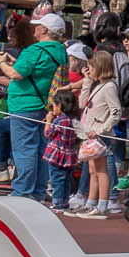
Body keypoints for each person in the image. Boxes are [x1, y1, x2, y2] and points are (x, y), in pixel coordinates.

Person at [0, 13, 67, 209]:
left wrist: (0, 62)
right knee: (41, 151)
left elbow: (16, 74)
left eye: (37, 26)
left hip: (25, 105)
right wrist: (13, 61)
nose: (34, 29)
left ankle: (22, 192)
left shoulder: (33, 50)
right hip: (45, 106)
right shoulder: (60, 51)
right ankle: (37, 192)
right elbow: (36, 71)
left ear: (44, 29)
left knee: (25, 150)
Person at [75, 51, 122, 217]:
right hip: (90, 135)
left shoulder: (109, 87)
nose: (89, 70)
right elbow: (82, 104)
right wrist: (87, 81)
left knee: (102, 171)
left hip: (100, 136)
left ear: (100, 67)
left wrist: (101, 129)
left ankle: (102, 205)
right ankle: (91, 202)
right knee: (92, 171)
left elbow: (116, 112)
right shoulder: (98, 85)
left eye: (91, 68)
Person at [44, 87, 84, 215]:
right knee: (66, 180)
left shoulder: (60, 120)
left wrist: (48, 121)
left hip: (57, 156)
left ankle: (57, 204)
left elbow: (48, 133)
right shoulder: (73, 119)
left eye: (54, 105)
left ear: (60, 106)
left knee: (56, 180)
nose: (52, 108)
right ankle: (64, 202)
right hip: (69, 155)